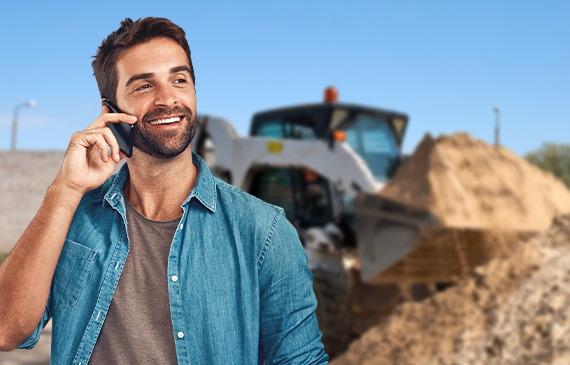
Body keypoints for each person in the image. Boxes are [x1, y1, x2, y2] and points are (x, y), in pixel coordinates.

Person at [0, 17, 329, 364]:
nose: (167, 98)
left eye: (179, 79)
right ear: (109, 110)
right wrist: (65, 188)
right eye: (144, 86)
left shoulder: (264, 233)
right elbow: (6, 330)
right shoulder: (73, 217)